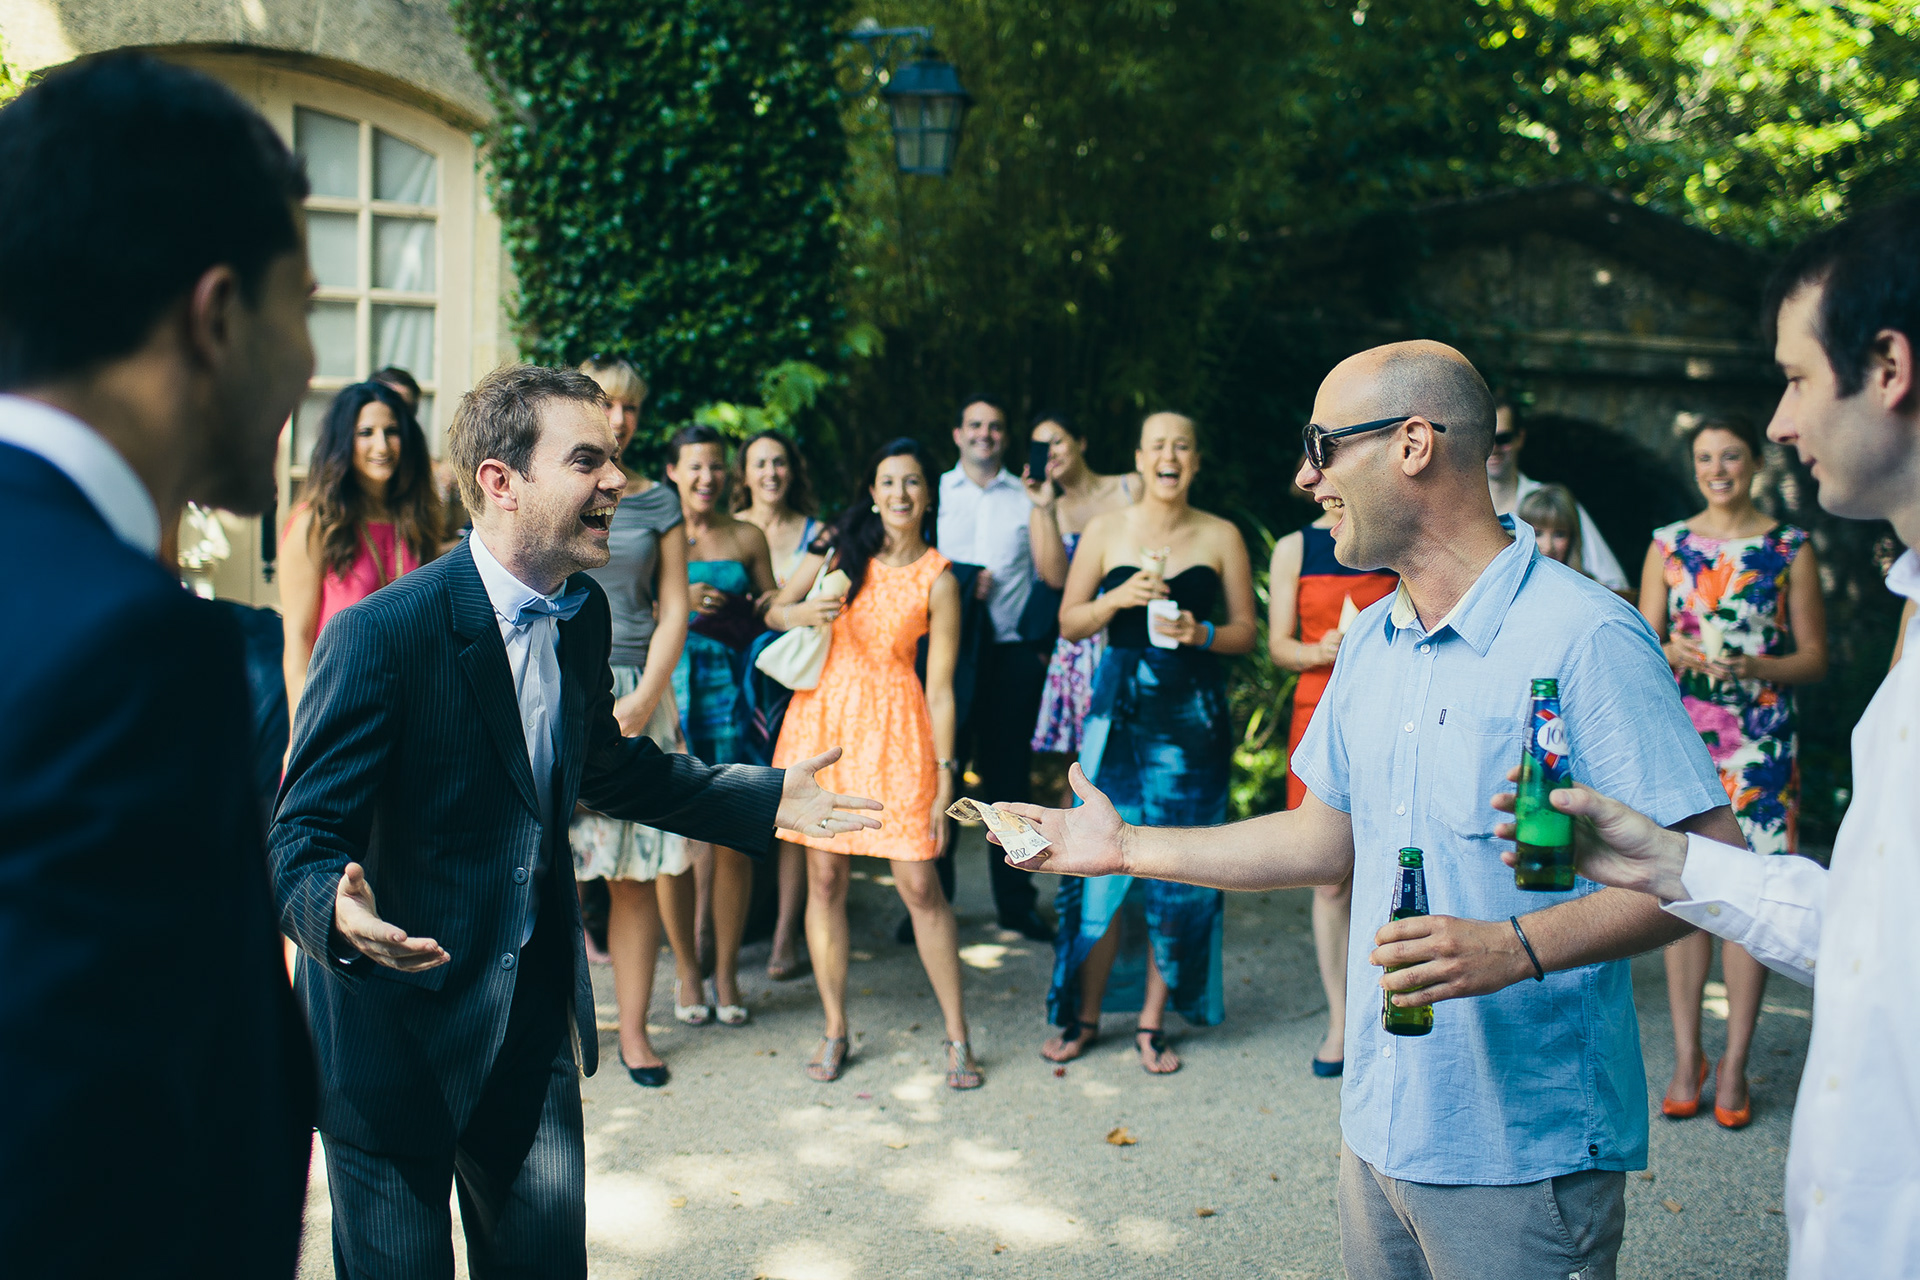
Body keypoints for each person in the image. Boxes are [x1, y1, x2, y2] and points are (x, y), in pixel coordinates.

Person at [998, 342, 1744, 1280]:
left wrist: (1514, 947)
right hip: (1380, 1123)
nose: (1304, 477)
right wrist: (1125, 847)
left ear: (1414, 444)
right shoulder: (1373, 641)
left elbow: (1710, 871)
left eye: (1321, 446)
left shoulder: (1587, 634)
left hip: (1524, 1153)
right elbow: (1322, 837)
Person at [271, 363, 877, 1275]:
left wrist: (762, 792)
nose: (618, 483)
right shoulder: (381, 634)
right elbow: (298, 837)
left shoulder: (582, 614)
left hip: (528, 1035)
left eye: (616, 460)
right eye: (588, 460)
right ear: (500, 483)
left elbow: (607, 769)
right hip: (391, 1050)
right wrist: (336, 913)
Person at [1487, 198, 1920, 1278]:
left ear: (1889, 366)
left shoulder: (1795, 552)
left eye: (1794, 378)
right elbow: (1881, 930)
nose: (1777, 424)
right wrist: (1674, 860)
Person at [0, 54, 316, 1275]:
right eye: (304, 308)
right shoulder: (131, 656)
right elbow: (102, 1160)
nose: (305, 365)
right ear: (217, 314)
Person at [1041, 412, 1257, 1075]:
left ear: (1195, 462)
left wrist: (1202, 633)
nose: (1170, 455)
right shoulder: (1106, 532)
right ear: (1139, 459)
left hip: (1192, 724)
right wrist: (1116, 602)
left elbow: (1247, 632)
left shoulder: (1221, 535)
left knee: (1180, 870)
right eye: (1158, 444)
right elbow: (1070, 622)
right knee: (1095, 862)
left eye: (1183, 445)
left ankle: (1152, 1022)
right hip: (1119, 713)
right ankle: (1083, 1014)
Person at [767, 437, 982, 1088]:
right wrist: (809, 608)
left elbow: (941, 686)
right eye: (887, 482)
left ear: (928, 495)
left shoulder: (941, 579)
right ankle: (835, 1029)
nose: (899, 494)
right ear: (873, 491)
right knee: (825, 880)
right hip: (825, 723)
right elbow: (774, 610)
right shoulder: (840, 548)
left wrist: (948, 774)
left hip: (898, 732)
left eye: (912, 482)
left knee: (920, 885)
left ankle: (957, 1037)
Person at [1641, 413, 1827, 1127]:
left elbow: (1813, 657)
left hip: (1762, 743)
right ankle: (1689, 1055)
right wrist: (1674, 652)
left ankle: (1737, 1065)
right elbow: (1644, 642)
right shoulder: (1668, 544)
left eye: (1731, 456)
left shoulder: (1789, 547)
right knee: (1686, 888)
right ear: (1694, 466)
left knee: (1755, 895)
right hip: (1684, 738)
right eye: (1705, 458)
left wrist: (1757, 666)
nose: (1717, 469)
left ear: (1753, 463)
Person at [567, 357, 700, 1087]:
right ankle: (545, 1026)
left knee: (634, 876)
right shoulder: (554, 485)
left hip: (640, 690)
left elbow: (674, 605)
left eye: (632, 409)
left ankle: (637, 1032)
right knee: (546, 866)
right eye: (606, 404)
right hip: (563, 686)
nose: (620, 419)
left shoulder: (658, 503)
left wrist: (647, 695)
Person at [1267, 476, 1397, 1078]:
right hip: (1316, 712)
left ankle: (1393, 1007)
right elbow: (1277, 648)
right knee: (1328, 876)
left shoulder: (1391, 539)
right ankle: (1342, 1020)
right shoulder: (1294, 546)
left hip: (1390, 705)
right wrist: (1324, 649)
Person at [668, 424, 778, 1024]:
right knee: (678, 842)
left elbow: (772, 610)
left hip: (735, 696)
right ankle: (689, 971)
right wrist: (678, 600)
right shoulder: (659, 534)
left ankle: (729, 973)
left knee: (733, 837)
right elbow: (625, 606)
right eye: (695, 467)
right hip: (674, 692)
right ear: (673, 473)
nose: (707, 478)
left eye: (715, 467)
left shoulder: (747, 534)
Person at [936, 394, 1052, 941]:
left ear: (1005, 437)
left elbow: (1051, 572)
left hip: (1009, 655)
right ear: (958, 434)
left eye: (995, 426)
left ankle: (1016, 903)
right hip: (946, 656)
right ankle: (933, 903)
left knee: (1008, 781)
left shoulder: (1026, 495)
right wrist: (958, 577)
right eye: (975, 424)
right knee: (943, 772)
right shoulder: (934, 492)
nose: (985, 433)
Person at [279, 379, 443, 716]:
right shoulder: (315, 523)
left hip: (410, 707)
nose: (382, 446)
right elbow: (297, 640)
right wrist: (300, 731)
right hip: (338, 707)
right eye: (365, 433)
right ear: (343, 442)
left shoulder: (416, 518)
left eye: (392, 431)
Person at [733, 427, 822, 980]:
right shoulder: (726, 532)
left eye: (780, 462)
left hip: (799, 679)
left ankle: (787, 933)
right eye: (760, 463)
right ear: (744, 474)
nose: (770, 473)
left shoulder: (817, 532)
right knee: (742, 794)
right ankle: (743, 921)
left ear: (793, 471)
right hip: (736, 680)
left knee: (793, 800)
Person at [1024, 411, 1137, 766]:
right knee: (1087, 757)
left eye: (1057, 440)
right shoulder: (1045, 509)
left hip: (1135, 618)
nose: (1051, 452)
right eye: (1041, 447)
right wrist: (1044, 509)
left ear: (1081, 442)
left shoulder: (1131, 486)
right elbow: (1056, 578)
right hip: (1082, 637)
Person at [1486, 401, 1630, 591]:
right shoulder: (1461, 508)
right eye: (1486, 439)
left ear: (1519, 438)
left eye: (1503, 439)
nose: (1494, 447)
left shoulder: (1553, 502)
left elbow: (1615, 584)